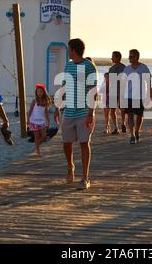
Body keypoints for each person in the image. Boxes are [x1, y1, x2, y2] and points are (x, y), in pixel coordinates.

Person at [61, 38, 97, 190]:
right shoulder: (68, 65)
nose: (68, 51)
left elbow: (93, 91)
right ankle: (70, 166)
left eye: (69, 49)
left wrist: (90, 113)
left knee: (84, 143)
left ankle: (85, 178)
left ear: (74, 50)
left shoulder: (89, 66)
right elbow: (65, 84)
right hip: (68, 111)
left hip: (83, 112)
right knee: (66, 143)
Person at [123, 49, 152, 144]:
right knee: (130, 115)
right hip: (129, 95)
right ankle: (131, 135)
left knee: (139, 115)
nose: (129, 58)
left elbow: (148, 81)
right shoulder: (127, 69)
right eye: (129, 56)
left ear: (136, 57)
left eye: (131, 57)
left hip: (140, 96)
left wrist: (148, 95)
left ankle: (137, 131)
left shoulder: (144, 68)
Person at [27, 84, 52, 157]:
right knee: (37, 136)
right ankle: (38, 151)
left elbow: (46, 112)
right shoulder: (34, 101)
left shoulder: (45, 101)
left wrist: (48, 121)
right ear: (36, 93)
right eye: (38, 92)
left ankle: (36, 145)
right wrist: (28, 119)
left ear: (44, 92)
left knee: (44, 136)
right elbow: (30, 110)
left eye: (41, 91)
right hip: (34, 121)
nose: (39, 93)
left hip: (41, 121)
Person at [108, 51, 127, 135]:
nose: (111, 58)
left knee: (122, 109)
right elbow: (109, 81)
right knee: (112, 109)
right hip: (113, 90)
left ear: (117, 58)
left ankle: (123, 123)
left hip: (122, 90)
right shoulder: (111, 68)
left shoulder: (124, 68)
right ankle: (116, 127)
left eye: (113, 56)